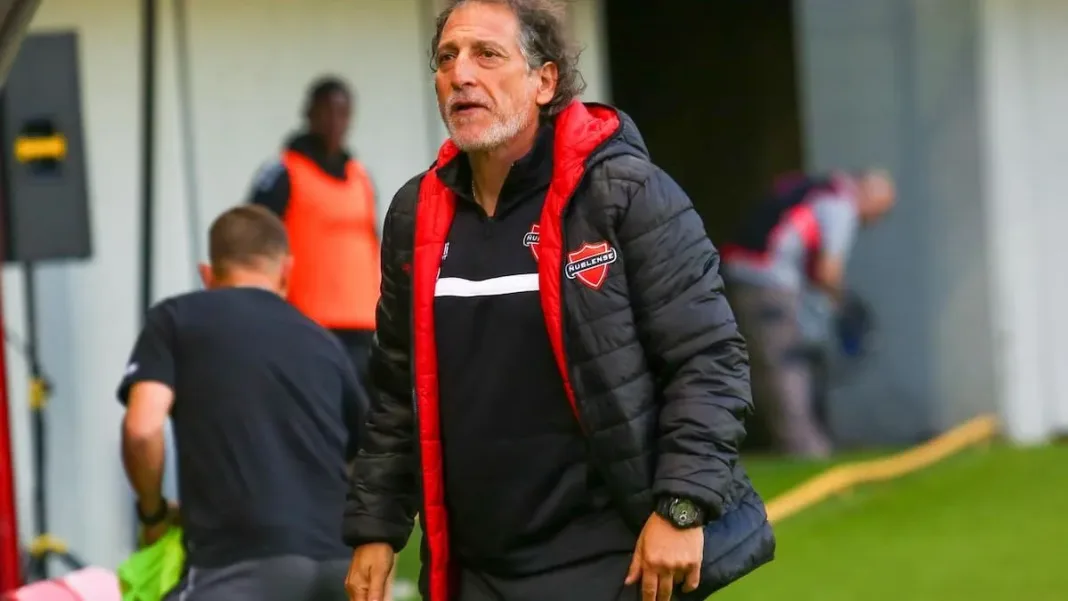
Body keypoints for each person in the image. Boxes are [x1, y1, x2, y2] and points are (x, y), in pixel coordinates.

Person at [341, 1, 775, 601]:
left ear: (544, 81)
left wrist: (682, 506)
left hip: (611, 559)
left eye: (487, 55)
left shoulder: (625, 194)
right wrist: (377, 529)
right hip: (477, 569)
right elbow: (396, 391)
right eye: (446, 58)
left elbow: (709, 359)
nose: (461, 74)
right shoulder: (416, 214)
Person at [118, 205, 366, 601]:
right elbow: (366, 461)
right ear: (287, 270)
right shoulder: (324, 343)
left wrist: (154, 513)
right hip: (340, 566)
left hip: (239, 565)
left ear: (207, 275)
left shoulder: (176, 319)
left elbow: (143, 430)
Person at [720, 169, 895, 458]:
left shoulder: (823, 190)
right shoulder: (841, 207)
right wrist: (847, 304)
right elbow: (829, 273)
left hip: (747, 275)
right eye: (880, 212)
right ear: (868, 196)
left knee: (770, 364)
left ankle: (796, 442)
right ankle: (805, 449)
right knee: (788, 365)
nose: (875, 221)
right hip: (769, 282)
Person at [248, 75, 380, 400]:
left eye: (342, 112)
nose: (334, 121)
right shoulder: (283, 172)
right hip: (306, 325)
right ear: (309, 113)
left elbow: (373, 244)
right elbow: (251, 240)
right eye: (326, 111)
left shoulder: (359, 176)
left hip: (363, 328)